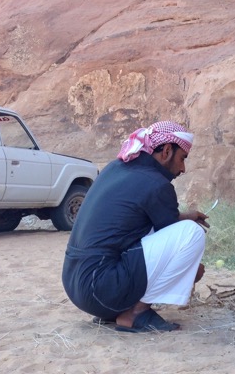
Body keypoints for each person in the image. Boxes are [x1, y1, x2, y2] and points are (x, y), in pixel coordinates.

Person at [61, 121, 209, 333]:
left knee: (174, 226)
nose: (183, 169)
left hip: (76, 286)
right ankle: (136, 313)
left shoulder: (115, 168)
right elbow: (172, 238)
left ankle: (119, 311)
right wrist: (190, 271)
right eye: (182, 158)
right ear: (167, 150)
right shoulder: (157, 184)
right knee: (192, 233)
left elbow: (141, 218)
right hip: (101, 289)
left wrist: (186, 215)